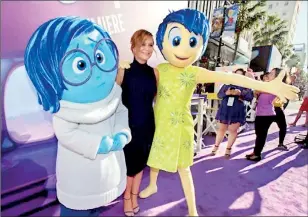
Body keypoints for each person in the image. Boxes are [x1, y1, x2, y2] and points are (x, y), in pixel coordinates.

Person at [138, 9, 298, 216]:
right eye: (177, 39)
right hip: (160, 124)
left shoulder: (194, 72)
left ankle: (193, 210)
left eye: (193, 42)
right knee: (155, 157)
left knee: (184, 168)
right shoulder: (161, 69)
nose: (184, 48)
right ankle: (153, 184)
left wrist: (270, 87)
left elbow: (238, 79)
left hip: (181, 128)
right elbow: (141, 77)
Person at [24, 17, 131, 216]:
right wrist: (98, 144)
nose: (97, 73)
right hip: (78, 179)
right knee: (76, 211)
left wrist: (122, 132)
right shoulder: (66, 110)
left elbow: (120, 111)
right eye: (81, 65)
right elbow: (66, 134)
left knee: (97, 208)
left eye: (100, 59)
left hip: (108, 172)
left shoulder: (113, 95)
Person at [116, 29, 158, 216]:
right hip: (128, 127)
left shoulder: (155, 73)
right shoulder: (123, 71)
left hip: (148, 126)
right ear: (133, 47)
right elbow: (113, 100)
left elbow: (154, 98)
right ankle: (126, 198)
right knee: (129, 166)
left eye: (150, 45)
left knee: (141, 164)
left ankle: (134, 196)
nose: (147, 49)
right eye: (143, 44)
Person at [246, 68, 289, 162]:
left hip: (266, 114)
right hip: (260, 113)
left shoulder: (275, 87)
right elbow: (257, 92)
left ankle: (257, 155)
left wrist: (254, 81)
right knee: (258, 135)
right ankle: (255, 152)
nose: (269, 74)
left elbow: (262, 90)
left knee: (261, 135)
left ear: (277, 77)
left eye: (272, 73)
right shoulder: (267, 85)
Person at [211, 68, 254, 158]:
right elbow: (219, 95)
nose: (237, 76)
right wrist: (226, 93)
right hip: (225, 109)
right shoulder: (227, 84)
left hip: (237, 110)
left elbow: (249, 97)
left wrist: (240, 94)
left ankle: (228, 149)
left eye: (240, 75)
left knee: (232, 130)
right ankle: (216, 146)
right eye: (236, 74)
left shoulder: (246, 85)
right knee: (221, 129)